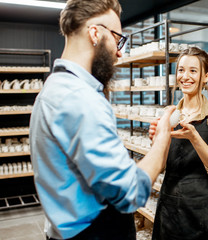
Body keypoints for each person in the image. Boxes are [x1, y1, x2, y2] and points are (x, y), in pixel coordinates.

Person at [29, 0, 175, 239]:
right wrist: (162, 143)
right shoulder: (80, 98)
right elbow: (130, 192)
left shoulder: (54, 87)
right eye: (118, 39)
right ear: (95, 33)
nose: (119, 52)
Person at [149, 47, 208, 240]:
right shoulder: (169, 115)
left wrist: (194, 137)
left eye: (193, 71)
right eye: (181, 70)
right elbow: (161, 166)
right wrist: (157, 141)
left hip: (207, 211)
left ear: (206, 76)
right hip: (169, 208)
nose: (185, 76)